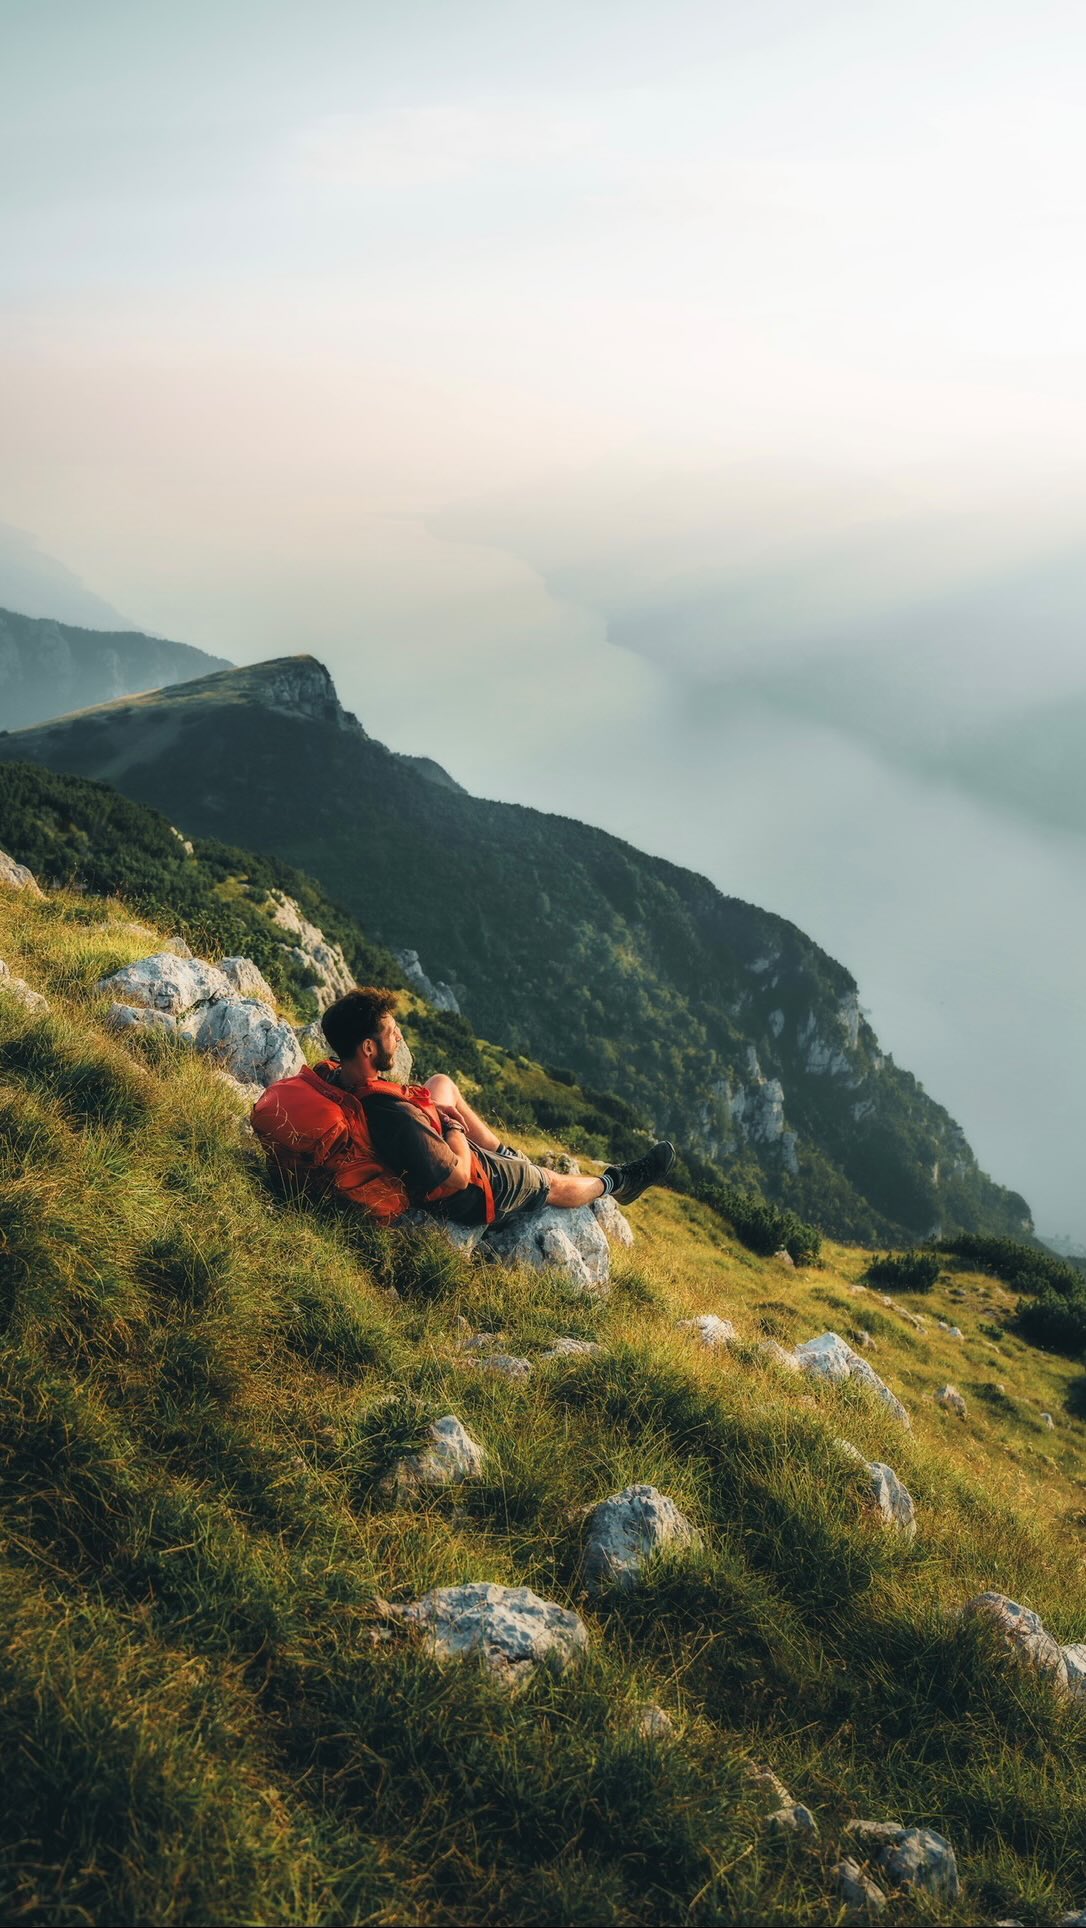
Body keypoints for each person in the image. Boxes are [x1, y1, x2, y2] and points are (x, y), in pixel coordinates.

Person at [250, 985, 676, 1227]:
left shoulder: (331, 1076)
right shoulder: (392, 1114)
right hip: (468, 1192)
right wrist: (453, 1132)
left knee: (441, 1084)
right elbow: (454, 1179)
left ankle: (510, 1158)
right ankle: (616, 1183)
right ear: (367, 1046)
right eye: (391, 1032)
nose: (398, 1039)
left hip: (412, 1145)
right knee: (553, 1183)